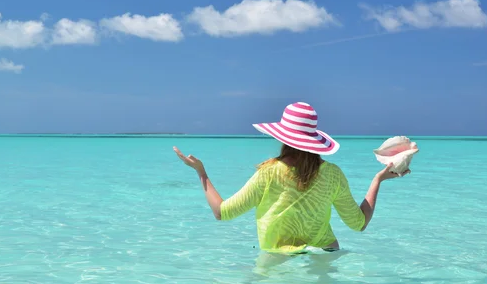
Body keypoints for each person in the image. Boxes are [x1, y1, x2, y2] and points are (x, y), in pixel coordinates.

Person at [173, 101, 410, 254]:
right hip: (325, 255)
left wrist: (201, 173)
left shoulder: (268, 172)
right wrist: (377, 180)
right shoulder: (333, 174)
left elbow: (222, 213)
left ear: (284, 137)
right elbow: (359, 224)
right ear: (314, 140)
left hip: (280, 262)